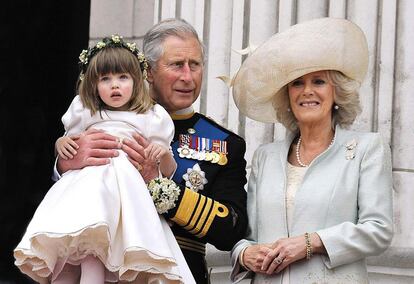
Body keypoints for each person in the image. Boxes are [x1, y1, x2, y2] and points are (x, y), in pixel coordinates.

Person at [55, 19, 249, 283]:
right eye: (176, 65)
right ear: (148, 72)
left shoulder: (224, 143)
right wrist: (65, 164)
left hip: (176, 271)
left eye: (195, 65)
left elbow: (232, 229)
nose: (187, 77)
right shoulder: (100, 119)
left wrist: (161, 191)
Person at [14, 35, 195, 283]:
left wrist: (161, 154)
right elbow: (70, 142)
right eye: (105, 79)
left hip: (128, 193)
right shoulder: (85, 109)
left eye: (123, 77)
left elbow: (168, 170)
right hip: (89, 186)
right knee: (88, 237)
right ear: (93, 84)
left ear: (137, 80)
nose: (115, 86)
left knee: (122, 244)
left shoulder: (152, 115)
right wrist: (61, 144)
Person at [230, 17, 393, 283]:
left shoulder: (366, 149)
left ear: (336, 92)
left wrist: (312, 242)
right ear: (287, 94)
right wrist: (244, 253)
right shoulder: (265, 157)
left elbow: (379, 230)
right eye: (297, 83)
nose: (306, 91)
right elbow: (247, 234)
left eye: (318, 81)